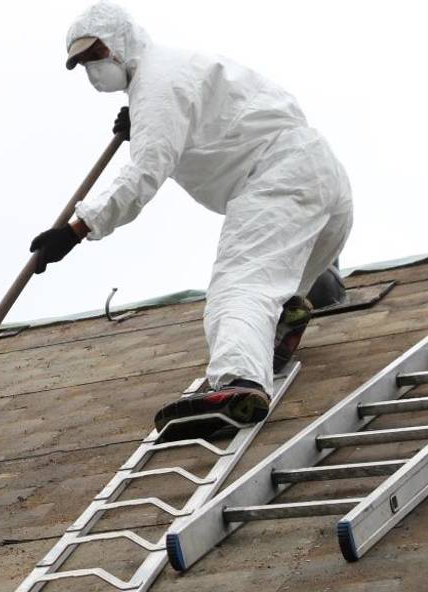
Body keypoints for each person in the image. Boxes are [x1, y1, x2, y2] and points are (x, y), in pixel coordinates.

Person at [30, 1, 352, 436]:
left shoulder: (158, 85)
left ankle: (237, 385)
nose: (94, 68)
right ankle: (299, 299)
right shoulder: (174, 71)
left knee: (239, 287)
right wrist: (142, 120)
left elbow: (144, 174)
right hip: (322, 181)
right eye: (84, 62)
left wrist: (76, 228)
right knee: (275, 275)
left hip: (278, 180)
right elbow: (203, 113)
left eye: (97, 53)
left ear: (122, 40)